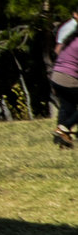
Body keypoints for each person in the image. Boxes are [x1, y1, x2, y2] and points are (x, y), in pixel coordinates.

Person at [51, 17, 78, 148]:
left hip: (56, 77)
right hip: (67, 78)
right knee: (69, 106)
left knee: (68, 107)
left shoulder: (71, 40)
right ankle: (64, 128)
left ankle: (63, 139)